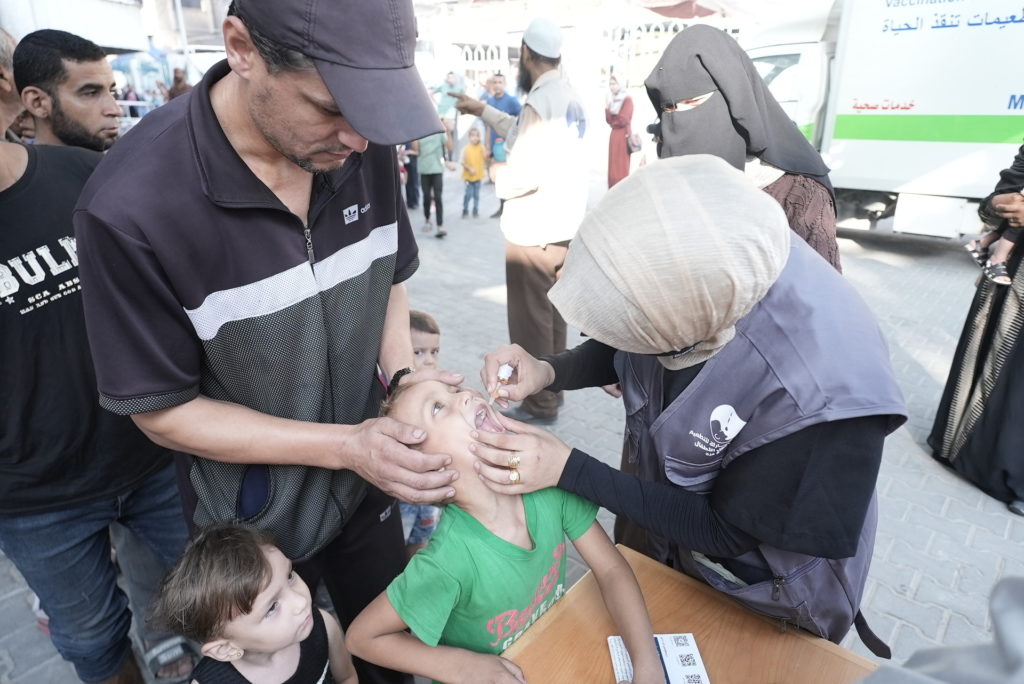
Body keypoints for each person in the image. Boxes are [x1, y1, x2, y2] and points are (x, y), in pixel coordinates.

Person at [73, 2, 460, 683]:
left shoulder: (360, 139)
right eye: (326, 107)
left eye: (370, 114)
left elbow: (388, 277)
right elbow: (160, 410)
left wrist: (403, 383)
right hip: (253, 525)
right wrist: (344, 445)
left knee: (390, 651)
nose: (357, 140)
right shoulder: (131, 205)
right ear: (241, 47)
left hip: (367, 490)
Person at [474, 156, 907, 655]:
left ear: (691, 333)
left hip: (763, 595)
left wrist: (568, 469)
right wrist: (550, 370)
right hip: (675, 553)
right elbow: (634, 336)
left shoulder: (823, 401)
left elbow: (727, 531)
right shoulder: (710, 255)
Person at [14, 28, 200, 680]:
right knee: (92, 643)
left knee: (222, 599)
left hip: (153, 456)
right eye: (91, 91)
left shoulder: (85, 175)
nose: (112, 105)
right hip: (36, 502)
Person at [346, 380, 663, 684]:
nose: (467, 394)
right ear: (428, 471)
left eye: (455, 390)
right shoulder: (447, 562)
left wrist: (647, 661)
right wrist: (461, 668)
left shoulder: (548, 484)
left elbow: (610, 569)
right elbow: (362, 638)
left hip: (553, 655)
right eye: (438, 408)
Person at [451, 18, 589, 424]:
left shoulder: (539, 101)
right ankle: (554, 393)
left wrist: (496, 173)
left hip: (534, 230)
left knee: (531, 325)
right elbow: (524, 135)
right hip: (564, 228)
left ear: (526, 55)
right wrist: (483, 110)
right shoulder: (566, 95)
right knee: (554, 320)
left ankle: (540, 404)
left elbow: (523, 173)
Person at [645, 25, 841, 271]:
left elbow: (819, 295)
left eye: (692, 102)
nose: (678, 121)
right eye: (669, 109)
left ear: (736, 100)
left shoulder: (798, 192)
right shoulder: (669, 174)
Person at [930, 144, 1024, 515]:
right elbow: (995, 198)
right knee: (985, 362)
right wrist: (1002, 205)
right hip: (1008, 278)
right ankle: (957, 447)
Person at [153, 524, 358, 684]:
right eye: (271, 608)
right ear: (226, 649)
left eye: (289, 576)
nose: (301, 601)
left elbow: (347, 677)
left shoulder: (323, 628)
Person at [13, 29, 121, 152]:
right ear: (37, 103)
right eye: (90, 93)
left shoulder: (124, 164)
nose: (116, 110)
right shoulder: (13, 169)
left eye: (112, 92)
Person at [399, 310, 444, 558]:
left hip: (429, 489)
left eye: (434, 352)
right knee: (398, 542)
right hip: (402, 491)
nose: (429, 360)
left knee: (423, 539)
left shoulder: (438, 387)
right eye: (419, 352)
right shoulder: (393, 394)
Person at [478, 72, 520, 216]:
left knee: (508, 178)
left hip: (508, 147)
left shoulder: (512, 101)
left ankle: (510, 208)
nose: (497, 85)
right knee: (499, 179)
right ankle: (502, 207)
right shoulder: (490, 101)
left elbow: (520, 121)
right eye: (494, 82)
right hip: (495, 146)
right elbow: (489, 126)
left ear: (505, 84)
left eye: (500, 82)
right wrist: (487, 145)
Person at [415, 118, 454, 238]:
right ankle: (427, 220)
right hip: (424, 169)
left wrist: (447, 131)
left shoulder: (439, 133)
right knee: (426, 197)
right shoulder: (419, 133)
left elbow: (450, 147)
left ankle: (440, 226)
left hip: (437, 169)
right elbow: (417, 151)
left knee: (438, 198)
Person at [605, 74, 633, 188]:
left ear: (620, 83)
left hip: (623, 136)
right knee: (613, 166)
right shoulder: (612, 100)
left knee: (620, 167)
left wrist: (613, 121)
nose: (611, 87)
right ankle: (612, 190)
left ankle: (620, 192)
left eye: (614, 83)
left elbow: (623, 119)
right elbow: (608, 120)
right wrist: (607, 107)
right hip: (614, 136)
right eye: (610, 84)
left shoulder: (627, 99)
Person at [460, 127, 485, 218]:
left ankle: (475, 210)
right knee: (468, 194)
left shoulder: (481, 148)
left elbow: (485, 158)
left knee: (476, 195)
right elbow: (462, 161)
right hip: (468, 177)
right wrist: (469, 168)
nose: (475, 138)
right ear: (469, 137)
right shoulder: (466, 148)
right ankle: (465, 210)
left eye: (477, 136)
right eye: (473, 136)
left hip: (478, 177)